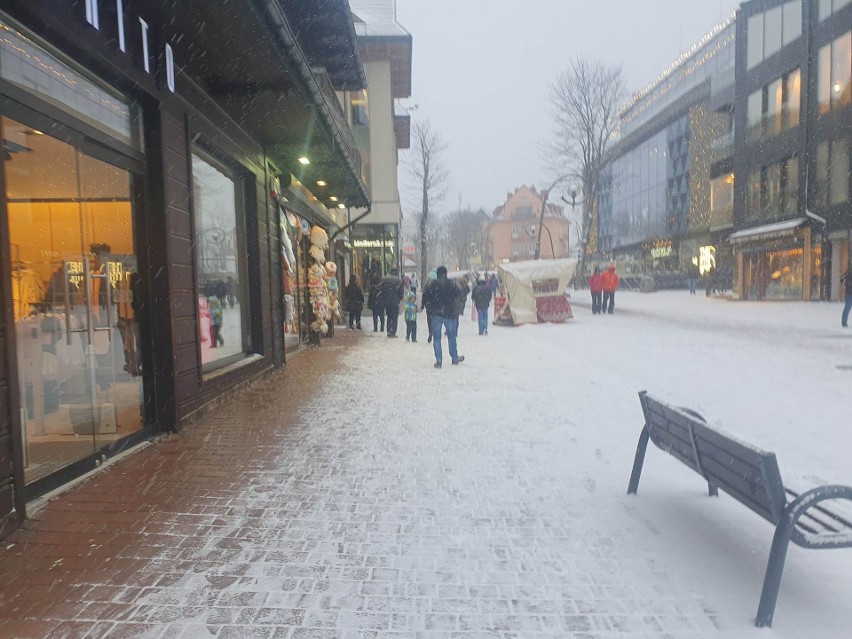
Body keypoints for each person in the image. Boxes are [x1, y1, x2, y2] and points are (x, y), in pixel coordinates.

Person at [423, 266, 464, 368]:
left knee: (436, 338)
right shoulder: (451, 283)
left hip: (436, 314)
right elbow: (459, 294)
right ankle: (454, 358)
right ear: (446, 273)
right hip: (449, 313)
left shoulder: (432, 285)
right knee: (451, 336)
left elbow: (426, 296)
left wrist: (430, 307)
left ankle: (439, 360)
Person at [380, 268, 404, 337]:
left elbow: (382, 290)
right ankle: (393, 331)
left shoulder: (385, 279)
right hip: (395, 301)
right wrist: (400, 298)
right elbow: (401, 292)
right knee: (395, 317)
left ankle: (388, 330)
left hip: (387, 301)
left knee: (389, 316)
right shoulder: (399, 281)